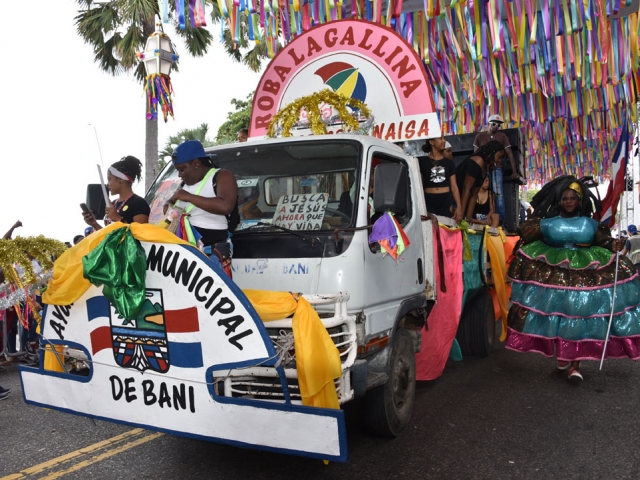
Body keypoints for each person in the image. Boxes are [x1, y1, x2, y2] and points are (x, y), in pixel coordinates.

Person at [506, 175, 640, 383]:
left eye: (573, 198)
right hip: (554, 278)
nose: (568, 201)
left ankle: (575, 364)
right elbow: (524, 236)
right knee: (557, 317)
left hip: (584, 278)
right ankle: (563, 353)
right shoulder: (546, 223)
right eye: (565, 198)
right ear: (559, 200)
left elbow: (605, 242)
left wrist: (613, 245)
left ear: (580, 201)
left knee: (577, 318)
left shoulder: (591, 224)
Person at [169, 140, 238, 278]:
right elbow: (171, 209)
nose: (179, 175)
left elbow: (225, 206)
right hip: (186, 251)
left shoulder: (221, 176)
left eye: (182, 169)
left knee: (215, 289)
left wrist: (189, 197)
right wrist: (169, 206)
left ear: (196, 164)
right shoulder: (183, 185)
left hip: (213, 250)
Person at [83, 156, 150, 231]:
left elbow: (141, 234)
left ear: (121, 179)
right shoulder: (113, 203)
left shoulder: (139, 203)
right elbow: (109, 236)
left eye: (109, 179)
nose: (107, 184)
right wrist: (94, 223)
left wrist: (117, 218)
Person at [473, 115, 519, 222]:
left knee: (498, 194)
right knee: (481, 192)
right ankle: (481, 218)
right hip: (483, 169)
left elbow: (510, 154)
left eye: (498, 125)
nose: (496, 126)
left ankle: (500, 221)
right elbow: (475, 154)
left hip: (496, 168)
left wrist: (514, 172)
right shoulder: (480, 136)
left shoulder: (502, 136)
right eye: (493, 124)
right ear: (488, 124)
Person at [456, 140, 505, 221]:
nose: (499, 160)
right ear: (492, 153)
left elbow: (474, 194)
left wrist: (468, 218)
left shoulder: (484, 167)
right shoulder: (477, 162)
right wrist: (460, 213)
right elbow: (466, 189)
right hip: (456, 198)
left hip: (463, 200)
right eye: (499, 157)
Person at [418, 136, 463, 221]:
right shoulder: (422, 162)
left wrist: (459, 207)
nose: (444, 141)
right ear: (431, 142)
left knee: (445, 226)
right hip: (429, 200)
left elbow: (454, 187)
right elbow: (419, 186)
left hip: (445, 200)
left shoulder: (449, 163)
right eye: (440, 139)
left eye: (444, 138)